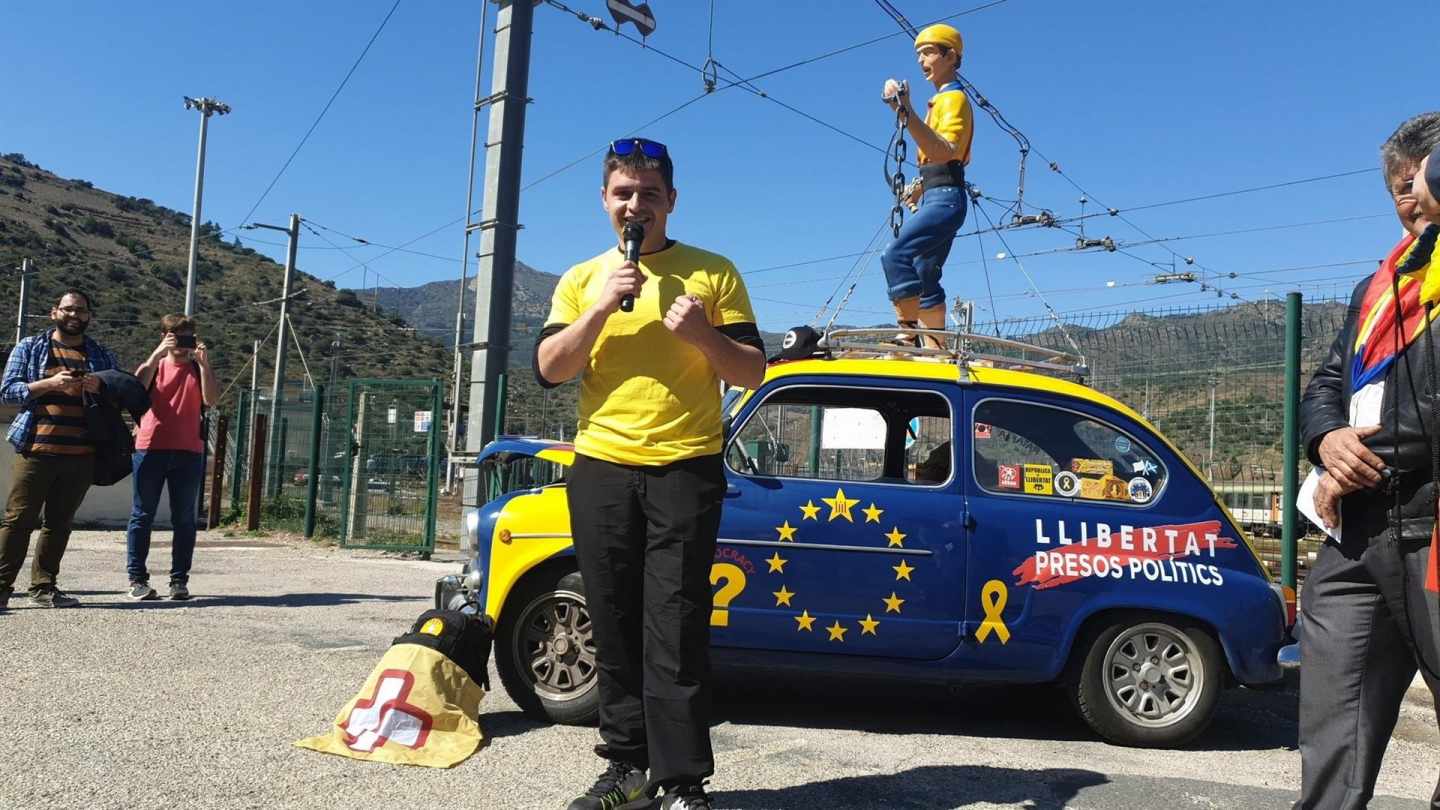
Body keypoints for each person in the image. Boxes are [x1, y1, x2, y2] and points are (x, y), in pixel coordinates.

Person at [535, 137, 765, 810]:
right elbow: (551, 367)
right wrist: (602, 307)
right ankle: (626, 770)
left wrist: (702, 335)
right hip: (603, 467)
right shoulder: (582, 279)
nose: (637, 206)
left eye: (650, 194)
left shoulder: (714, 272)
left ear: (672, 201)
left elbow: (751, 371)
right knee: (612, 621)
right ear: (606, 201)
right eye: (624, 194)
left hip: (684, 468)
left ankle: (682, 780)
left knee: (677, 624)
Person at [1297, 111, 1440, 810]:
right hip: (1360, 530)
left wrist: (1366, 454)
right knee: (1334, 718)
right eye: (1395, 187)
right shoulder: (1378, 287)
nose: (1407, 199)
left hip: (1432, 524)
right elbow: (1327, 383)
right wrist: (1327, 441)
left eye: (1419, 180)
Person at [0, 289, 119, 610]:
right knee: (18, 519)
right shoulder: (30, 347)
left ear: (89, 317)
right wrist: (49, 384)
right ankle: (1, 587)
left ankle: (44, 587)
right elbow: (7, 392)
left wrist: (101, 387)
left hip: (81, 453)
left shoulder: (102, 354)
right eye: (68, 309)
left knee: (60, 522)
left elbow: (119, 395)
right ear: (54, 312)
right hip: (35, 449)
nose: (74, 315)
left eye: (80, 311)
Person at [879, 23, 975, 350]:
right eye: (919, 54)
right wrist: (920, 185)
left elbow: (945, 151)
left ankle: (907, 335)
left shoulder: (953, 100)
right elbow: (940, 158)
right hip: (940, 194)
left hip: (946, 199)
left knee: (896, 255)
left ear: (951, 56)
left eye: (929, 52)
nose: (922, 61)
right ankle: (936, 348)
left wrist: (906, 114)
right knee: (925, 271)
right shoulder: (941, 100)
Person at [126, 315, 217, 601]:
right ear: (165, 336)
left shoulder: (196, 368)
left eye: (188, 337)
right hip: (149, 449)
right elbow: (136, 390)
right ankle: (137, 579)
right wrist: (156, 354)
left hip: (189, 451)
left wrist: (204, 365)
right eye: (176, 337)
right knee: (142, 515)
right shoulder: (155, 365)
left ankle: (179, 581)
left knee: (185, 519)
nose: (182, 344)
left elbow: (211, 399)